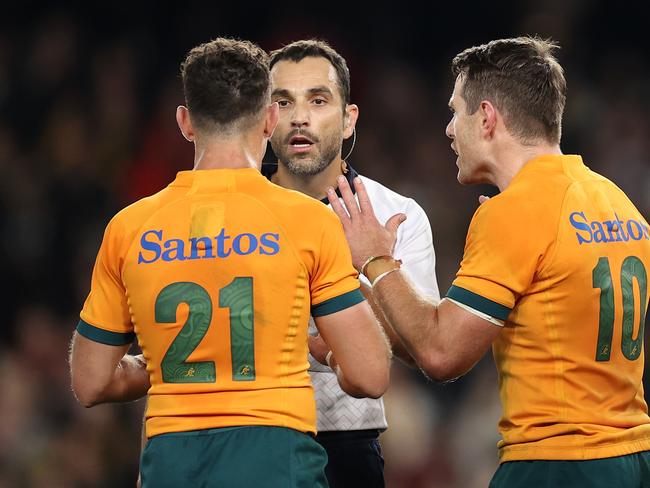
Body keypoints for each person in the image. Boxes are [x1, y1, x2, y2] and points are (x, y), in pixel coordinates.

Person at [327, 36, 650, 487]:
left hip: (556, 463)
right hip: (631, 457)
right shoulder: (618, 203)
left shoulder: (517, 211)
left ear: (486, 117)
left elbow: (442, 355)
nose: (448, 128)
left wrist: (375, 260)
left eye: (455, 110)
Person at [68, 37, 391, 488]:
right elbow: (370, 373)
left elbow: (90, 382)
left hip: (173, 464)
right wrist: (325, 355)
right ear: (270, 118)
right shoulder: (307, 221)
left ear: (185, 122)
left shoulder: (131, 227)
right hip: (278, 461)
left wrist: (158, 366)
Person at [265, 39, 440, 488]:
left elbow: (424, 350)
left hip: (348, 443)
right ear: (265, 119)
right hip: (250, 432)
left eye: (318, 100)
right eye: (283, 101)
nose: (300, 116)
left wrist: (367, 263)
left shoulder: (397, 214)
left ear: (348, 120)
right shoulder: (229, 212)